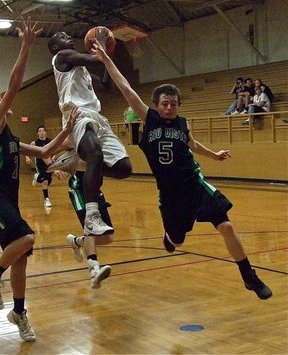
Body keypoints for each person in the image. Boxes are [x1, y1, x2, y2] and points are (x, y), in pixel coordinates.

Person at [92, 39, 272, 300]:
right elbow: (126, 88)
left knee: (227, 227)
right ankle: (169, 236)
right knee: (177, 242)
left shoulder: (183, 124)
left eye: (174, 104)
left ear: (179, 105)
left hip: (194, 183)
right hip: (171, 195)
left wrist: (214, 155)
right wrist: (106, 60)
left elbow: (193, 144)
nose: (169, 107)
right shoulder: (149, 119)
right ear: (156, 104)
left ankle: (249, 276)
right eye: (165, 103)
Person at [0, 18, 79, 342]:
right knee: (28, 238)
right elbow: (15, 85)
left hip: (7, 200)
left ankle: (19, 312)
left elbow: (46, 150)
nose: (5, 103)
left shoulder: (10, 139)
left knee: (20, 254)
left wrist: (69, 128)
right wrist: (25, 46)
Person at [47, 29, 132, 236]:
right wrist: (102, 41)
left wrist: (107, 57)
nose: (69, 37)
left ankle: (78, 161)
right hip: (76, 115)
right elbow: (94, 59)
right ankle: (92, 217)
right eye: (63, 36)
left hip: (97, 117)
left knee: (124, 168)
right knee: (95, 152)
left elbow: (105, 85)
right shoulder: (62, 57)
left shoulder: (82, 71)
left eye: (68, 35)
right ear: (56, 47)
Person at [66, 171, 113, 288]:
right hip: (79, 190)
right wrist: (58, 167)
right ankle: (94, 272)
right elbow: (65, 153)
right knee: (90, 229)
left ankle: (76, 241)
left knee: (108, 237)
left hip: (96, 192)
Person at [25, 126, 54, 207]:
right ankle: (46, 199)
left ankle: (36, 178)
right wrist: (27, 158)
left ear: (45, 132)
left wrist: (53, 158)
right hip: (40, 164)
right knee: (45, 181)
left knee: (48, 181)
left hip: (49, 163)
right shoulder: (34, 143)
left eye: (43, 130)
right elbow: (27, 151)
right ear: (37, 133)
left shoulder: (50, 141)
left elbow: (54, 152)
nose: (41, 132)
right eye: (39, 131)